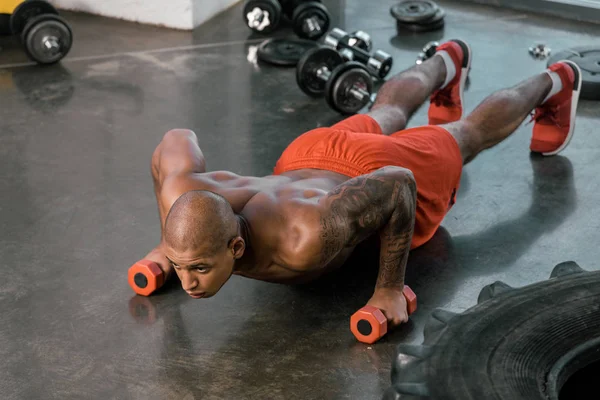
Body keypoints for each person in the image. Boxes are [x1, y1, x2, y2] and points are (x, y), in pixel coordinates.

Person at [140, 39, 582, 329]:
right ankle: (446, 60)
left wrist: (389, 287)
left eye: (198, 268)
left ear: (235, 248)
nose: (190, 282)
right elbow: (174, 142)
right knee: (386, 114)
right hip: (307, 154)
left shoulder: (305, 237)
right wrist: (173, 245)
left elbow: (398, 185)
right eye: (184, 268)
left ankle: (558, 79)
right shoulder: (183, 198)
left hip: (366, 174)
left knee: (466, 136)